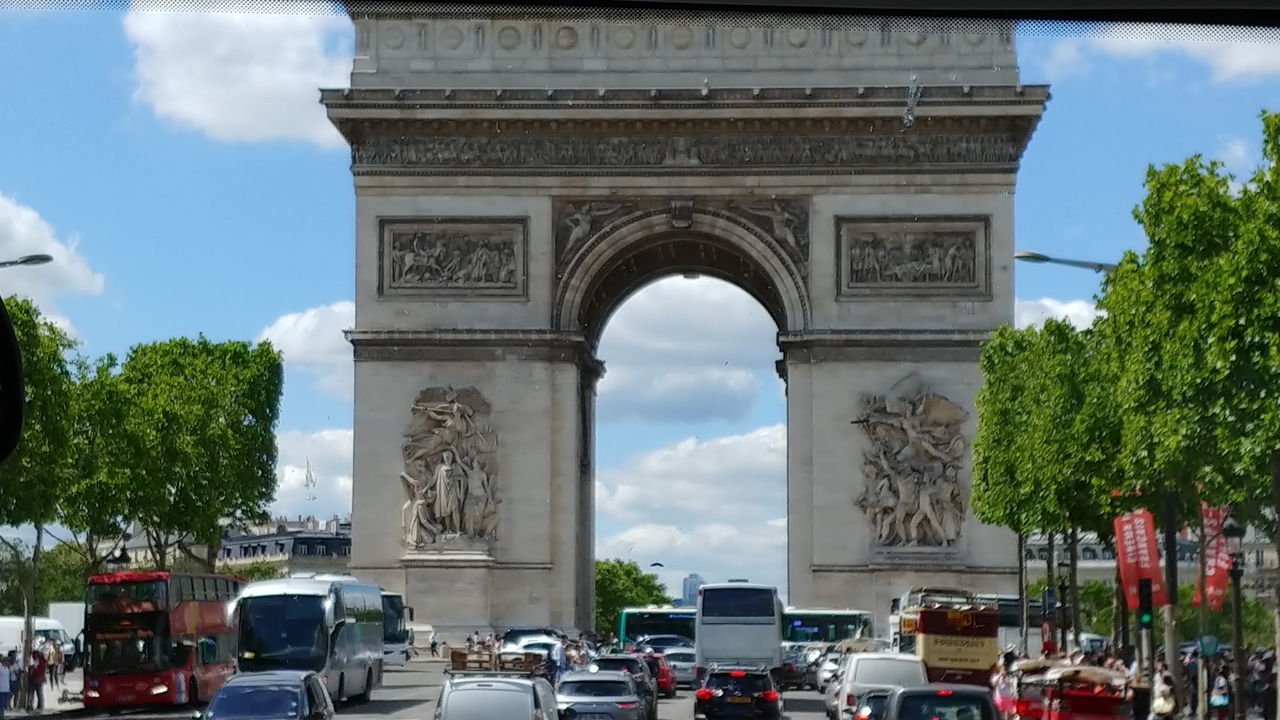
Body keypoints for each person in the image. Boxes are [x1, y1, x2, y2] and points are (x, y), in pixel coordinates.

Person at [27, 647, 46, 712]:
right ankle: (38, 706)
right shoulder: (41, 662)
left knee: (34, 693)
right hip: (38, 679)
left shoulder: (38, 662)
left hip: (36, 679)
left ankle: (34, 706)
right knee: (38, 693)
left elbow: (35, 671)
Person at [0, 656, 12, 720]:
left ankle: (2, 715)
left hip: (6, 689)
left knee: (4, 704)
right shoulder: (1, 668)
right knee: (1, 704)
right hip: (1, 689)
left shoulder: (7, 669)